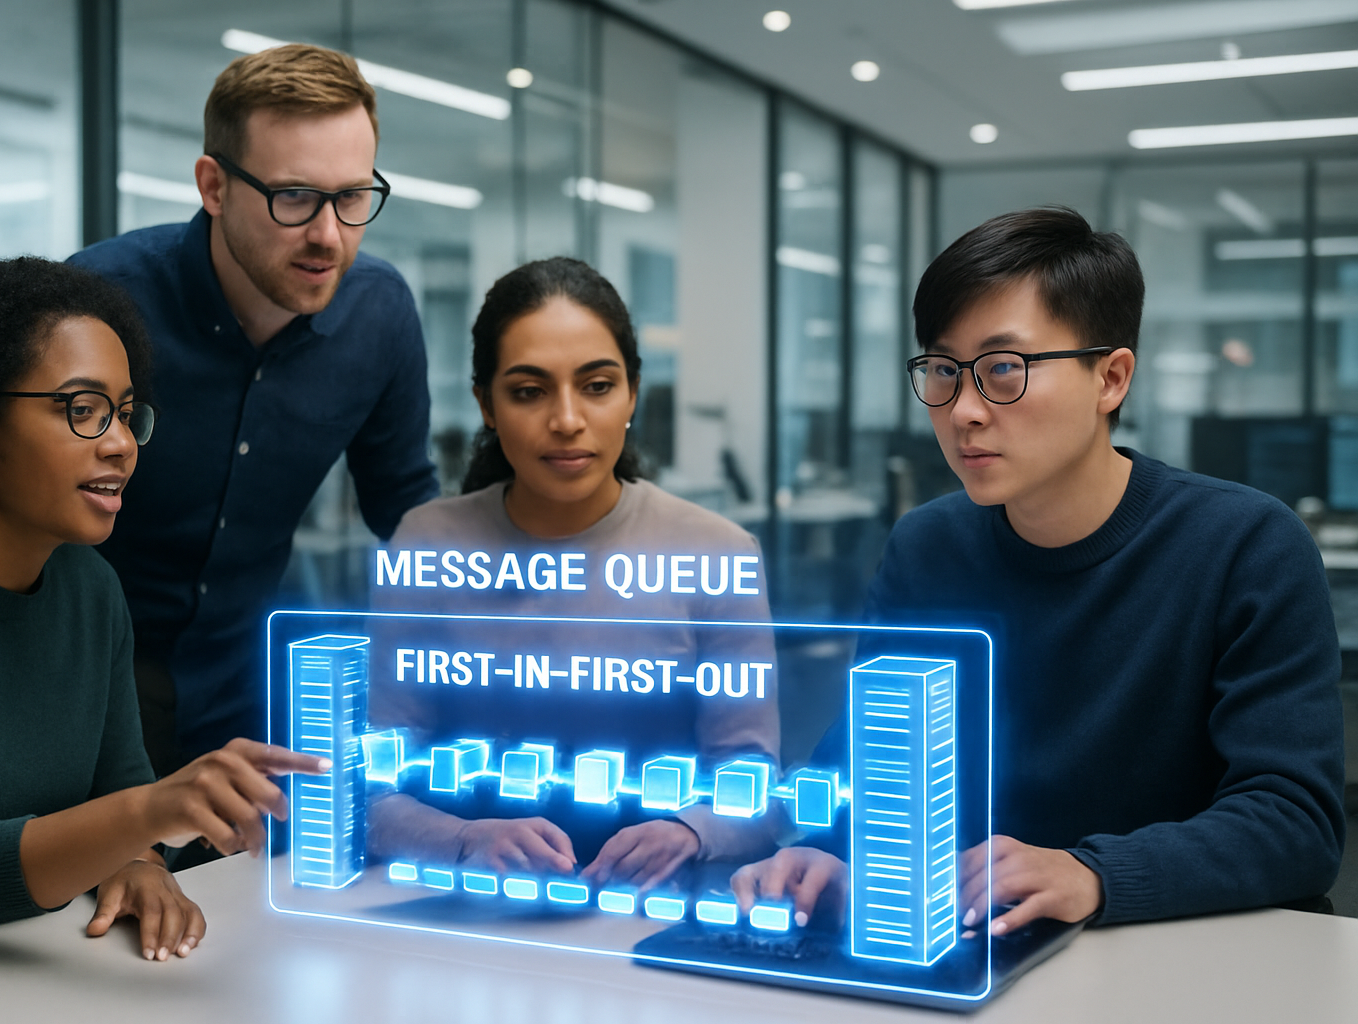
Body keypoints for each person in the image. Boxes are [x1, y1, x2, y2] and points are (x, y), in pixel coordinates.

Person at [730, 207, 1345, 934]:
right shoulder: (927, 546)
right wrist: (829, 851)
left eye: (1002, 370)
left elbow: (1292, 819)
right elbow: (869, 769)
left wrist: (1095, 871)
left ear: (1110, 378)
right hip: (977, 946)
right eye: (942, 370)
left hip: (1179, 954)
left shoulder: (1245, 544)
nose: (964, 411)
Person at [0, 258, 328, 966]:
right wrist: (150, 815)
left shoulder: (90, 587)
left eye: (124, 413)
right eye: (81, 409)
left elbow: (116, 783)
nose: (120, 442)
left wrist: (143, 863)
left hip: (37, 972)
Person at [69, 44, 438, 777]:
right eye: (294, 197)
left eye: (354, 196)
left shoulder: (380, 313)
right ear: (213, 185)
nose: (329, 235)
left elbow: (404, 506)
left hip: (247, 688)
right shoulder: (97, 303)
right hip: (82, 686)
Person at [366, 257, 779, 890]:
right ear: (486, 404)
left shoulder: (716, 551)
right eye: (529, 391)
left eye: (597, 385)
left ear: (632, 394)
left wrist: (690, 829)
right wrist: (462, 840)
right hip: (457, 909)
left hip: (647, 912)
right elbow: (369, 786)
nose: (566, 419)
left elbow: (757, 780)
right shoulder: (428, 543)